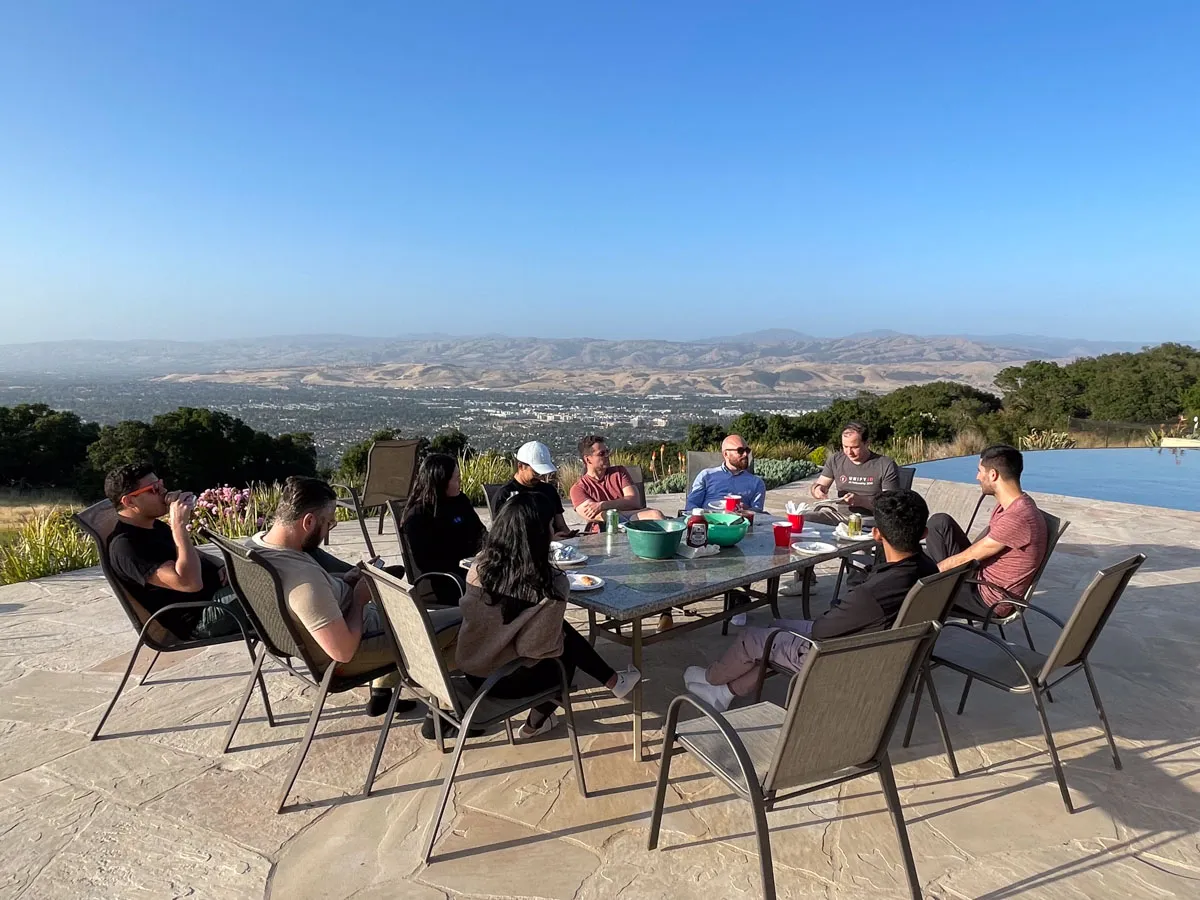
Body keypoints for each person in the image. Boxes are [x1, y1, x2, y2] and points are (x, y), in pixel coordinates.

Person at [683, 489, 936, 711]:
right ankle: (723, 693)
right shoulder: (928, 570)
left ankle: (712, 678)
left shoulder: (872, 594)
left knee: (754, 638)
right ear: (923, 532)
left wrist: (839, 610)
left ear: (877, 534)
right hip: (876, 650)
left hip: (836, 658)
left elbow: (821, 630)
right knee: (774, 628)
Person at [250, 476, 461, 724]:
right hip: (354, 650)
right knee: (467, 621)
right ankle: (446, 714)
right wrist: (360, 600)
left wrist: (346, 581)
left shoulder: (260, 546)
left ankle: (390, 686)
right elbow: (343, 651)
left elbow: (317, 598)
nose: (329, 529)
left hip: (351, 623)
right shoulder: (304, 583)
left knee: (437, 622)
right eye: (328, 523)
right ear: (308, 521)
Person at [455, 492, 641, 738]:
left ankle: (613, 681)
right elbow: (535, 649)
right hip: (500, 681)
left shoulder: (480, 566)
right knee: (563, 656)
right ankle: (535, 724)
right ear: (541, 534)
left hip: (471, 667)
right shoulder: (550, 584)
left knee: (559, 629)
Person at [105, 463, 246, 641]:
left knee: (271, 571)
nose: (164, 491)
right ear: (129, 501)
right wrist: (179, 527)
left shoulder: (155, 526)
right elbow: (190, 583)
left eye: (161, 484)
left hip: (217, 596)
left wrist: (222, 565)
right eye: (154, 489)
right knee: (272, 590)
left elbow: (196, 555)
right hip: (203, 617)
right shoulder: (126, 547)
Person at [923, 444, 1048, 619]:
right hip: (980, 578)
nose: (977, 477)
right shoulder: (1013, 505)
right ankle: (935, 582)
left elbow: (966, 558)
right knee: (940, 523)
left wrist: (924, 577)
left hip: (988, 599)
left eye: (980, 471)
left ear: (993, 475)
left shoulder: (1017, 518)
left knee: (912, 588)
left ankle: (915, 638)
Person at [401, 453, 487, 607]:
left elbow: (480, 532)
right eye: (456, 478)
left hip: (475, 569)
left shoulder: (460, 501)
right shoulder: (418, 517)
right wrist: (466, 563)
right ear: (441, 482)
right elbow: (427, 563)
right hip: (448, 581)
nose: (460, 481)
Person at [569, 435, 665, 531]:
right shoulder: (578, 489)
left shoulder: (619, 472)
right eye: (601, 453)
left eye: (607, 452)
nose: (607, 456)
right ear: (587, 459)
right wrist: (625, 510)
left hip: (634, 519)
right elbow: (596, 515)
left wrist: (603, 505)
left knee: (656, 514)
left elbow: (634, 501)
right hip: (606, 529)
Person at [809, 422, 901, 521]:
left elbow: (890, 504)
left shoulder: (885, 464)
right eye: (845, 447)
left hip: (873, 519)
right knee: (805, 518)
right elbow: (818, 485)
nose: (849, 452)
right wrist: (817, 490)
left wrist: (861, 501)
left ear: (867, 443)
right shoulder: (836, 460)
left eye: (854, 447)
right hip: (842, 518)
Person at [497, 441, 576, 539]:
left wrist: (572, 537)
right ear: (520, 466)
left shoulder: (549, 490)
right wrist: (548, 540)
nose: (540, 478)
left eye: (543, 474)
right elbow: (504, 534)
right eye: (536, 473)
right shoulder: (506, 495)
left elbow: (561, 525)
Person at [685, 434, 768, 512]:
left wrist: (746, 510)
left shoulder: (756, 483)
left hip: (740, 524)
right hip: (709, 522)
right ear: (726, 454)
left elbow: (758, 513)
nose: (746, 454)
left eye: (747, 450)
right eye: (740, 450)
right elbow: (691, 504)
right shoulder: (706, 475)